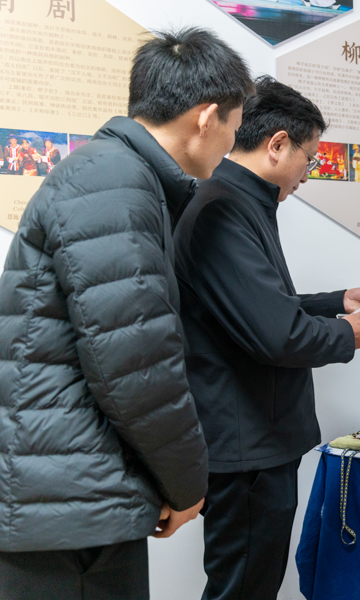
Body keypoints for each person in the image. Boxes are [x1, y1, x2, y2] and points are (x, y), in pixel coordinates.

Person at [0, 28, 254, 600]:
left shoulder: (112, 174)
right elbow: (137, 366)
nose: (231, 145)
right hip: (66, 505)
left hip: (63, 491)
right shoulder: (117, 184)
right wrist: (188, 485)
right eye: (235, 128)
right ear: (206, 118)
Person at [173, 75, 360, 600]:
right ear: (277, 144)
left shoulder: (240, 200)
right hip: (246, 446)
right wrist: (345, 335)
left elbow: (259, 306)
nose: (307, 174)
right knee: (245, 588)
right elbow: (278, 334)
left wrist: (336, 301)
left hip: (254, 440)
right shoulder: (223, 208)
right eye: (309, 159)